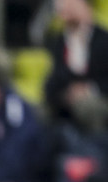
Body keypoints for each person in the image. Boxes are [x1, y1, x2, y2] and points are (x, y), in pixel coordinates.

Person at [45, 0, 108, 130]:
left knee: (87, 107)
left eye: (72, 5)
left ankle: (96, 148)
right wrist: (69, 92)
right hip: (65, 98)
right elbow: (53, 80)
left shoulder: (104, 40)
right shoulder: (59, 41)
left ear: (87, 8)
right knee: (40, 111)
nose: (67, 10)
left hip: (99, 96)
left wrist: (89, 89)